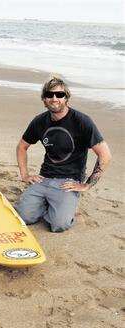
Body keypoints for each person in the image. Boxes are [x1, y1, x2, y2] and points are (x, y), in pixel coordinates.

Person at [15, 76, 112, 233]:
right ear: (44, 99)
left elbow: (105, 155)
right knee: (23, 217)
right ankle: (48, 204)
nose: (54, 98)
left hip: (68, 181)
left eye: (60, 95)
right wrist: (25, 175)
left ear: (66, 98)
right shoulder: (39, 121)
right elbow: (22, 147)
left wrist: (87, 184)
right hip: (44, 177)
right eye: (49, 94)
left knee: (59, 225)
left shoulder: (82, 121)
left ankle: (60, 207)